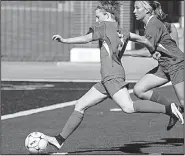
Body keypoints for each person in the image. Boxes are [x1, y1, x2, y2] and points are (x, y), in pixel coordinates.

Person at [43, 1, 183, 150]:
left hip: (112, 77)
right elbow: (143, 40)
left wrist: (65, 40)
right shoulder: (123, 31)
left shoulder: (103, 26)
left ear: (107, 15)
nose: (96, 21)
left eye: (98, 17)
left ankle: (169, 109)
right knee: (80, 105)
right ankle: (60, 139)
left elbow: (85, 38)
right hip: (108, 79)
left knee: (128, 107)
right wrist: (152, 51)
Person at [130, 1, 184, 131]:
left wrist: (122, 53)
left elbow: (147, 52)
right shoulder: (151, 23)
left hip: (176, 65)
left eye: (137, 8)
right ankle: (172, 110)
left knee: (184, 102)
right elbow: (171, 27)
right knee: (139, 90)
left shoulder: (152, 24)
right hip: (164, 66)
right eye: (133, 8)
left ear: (147, 10)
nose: (134, 11)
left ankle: (177, 108)